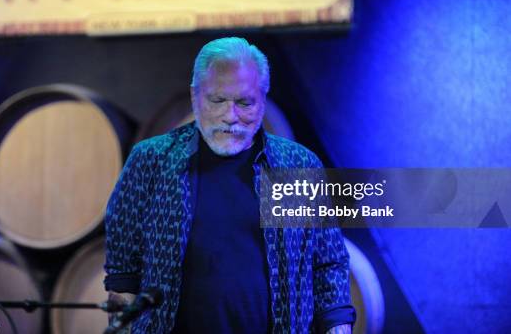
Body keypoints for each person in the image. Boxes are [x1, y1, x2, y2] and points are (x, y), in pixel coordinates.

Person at [104, 37, 356, 333]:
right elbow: (123, 268)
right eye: (217, 100)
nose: (230, 116)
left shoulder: (295, 164)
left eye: (244, 102)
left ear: (263, 99)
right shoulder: (152, 161)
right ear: (195, 96)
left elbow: (327, 262)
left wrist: (338, 326)